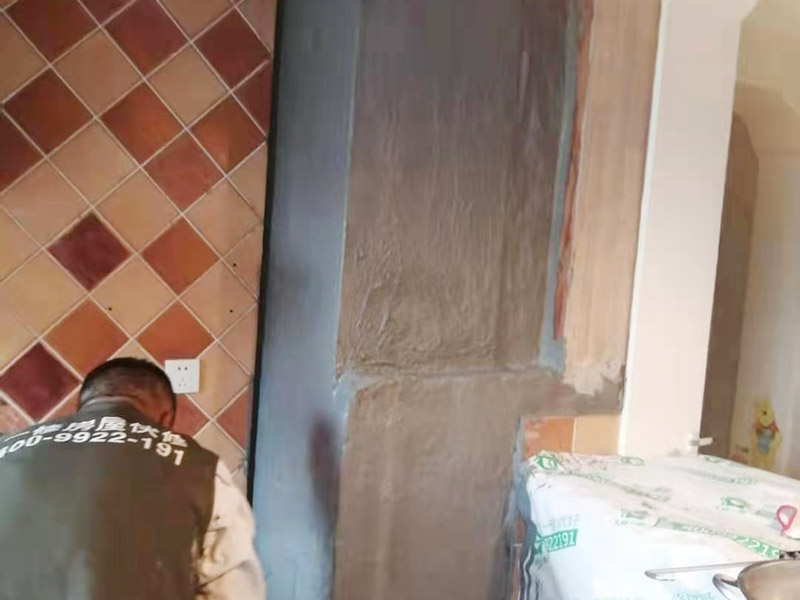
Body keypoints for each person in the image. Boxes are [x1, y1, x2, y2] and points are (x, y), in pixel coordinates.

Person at [0, 357, 265, 600]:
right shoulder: (200, 469)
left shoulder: (6, 449)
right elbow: (236, 591)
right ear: (166, 419)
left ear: (81, 408)